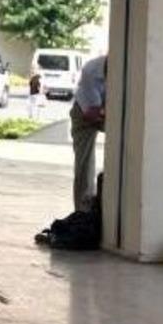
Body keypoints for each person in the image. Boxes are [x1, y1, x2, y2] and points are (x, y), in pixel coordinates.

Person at [70, 55, 106, 212]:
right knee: (84, 163)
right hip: (84, 113)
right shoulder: (91, 70)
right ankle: (83, 212)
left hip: (106, 109)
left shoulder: (131, 70)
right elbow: (93, 113)